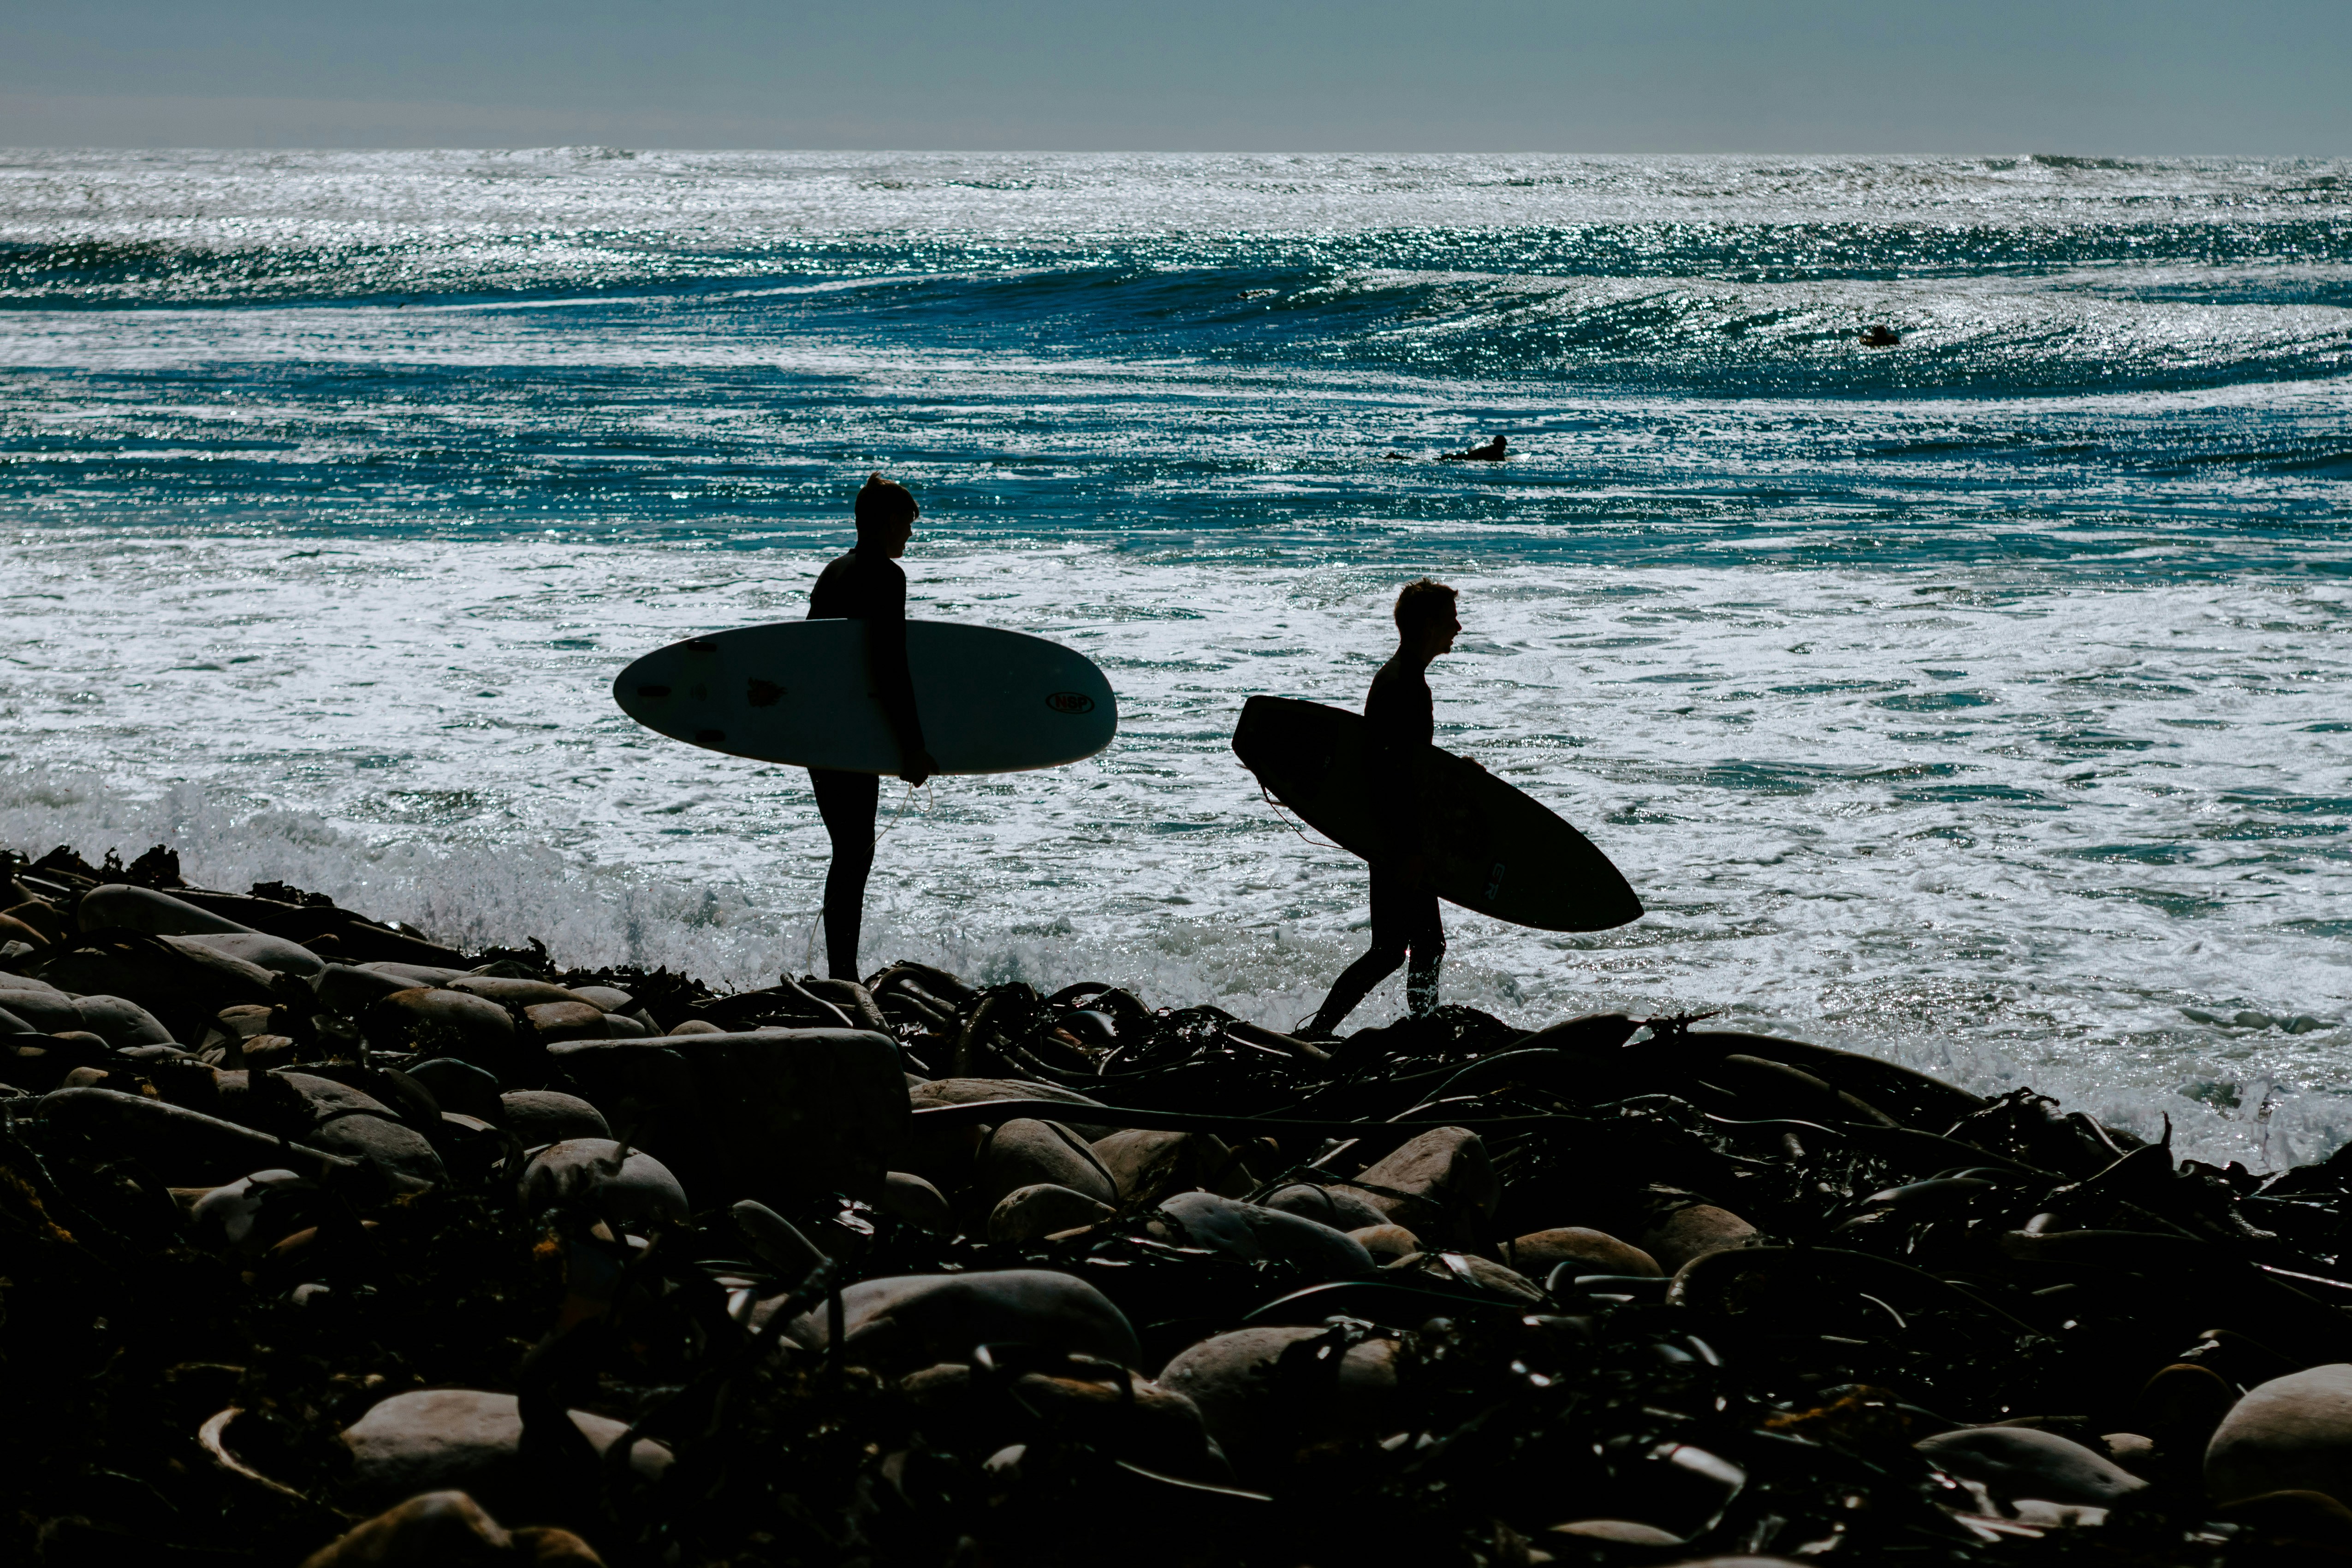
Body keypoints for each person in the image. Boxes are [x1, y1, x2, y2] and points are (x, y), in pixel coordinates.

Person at [1303, 578, 1462, 1038]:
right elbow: (1393, 778)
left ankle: (1327, 1029)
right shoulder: (1405, 685)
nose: (1457, 626)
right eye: (1449, 617)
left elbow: (1407, 764)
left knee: (1397, 948)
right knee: (1418, 945)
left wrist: (1454, 773)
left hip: (1390, 834)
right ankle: (1419, 1031)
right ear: (1428, 624)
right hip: (1397, 837)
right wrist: (1410, 850)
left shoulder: (1401, 679)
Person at [805, 474, 938, 980]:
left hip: (820, 729)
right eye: (906, 523)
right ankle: (843, 972)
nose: (910, 534)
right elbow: (889, 667)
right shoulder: (885, 577)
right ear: (884, 522)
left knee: (849, 846)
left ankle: (843, 967)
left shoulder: (833, 571)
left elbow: (814, 660)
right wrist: (913, 748)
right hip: (851, 735)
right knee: (855, 847)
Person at [1439, 434, 1507, 462]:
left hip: (1471, 455)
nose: (1504, 448)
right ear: (1500, 445)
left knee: (1458, 456)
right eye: (1504, 446)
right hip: (1472, 457)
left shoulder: (1492, 449)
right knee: (1459, 457)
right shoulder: (1497, 451)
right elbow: (1502, 461)